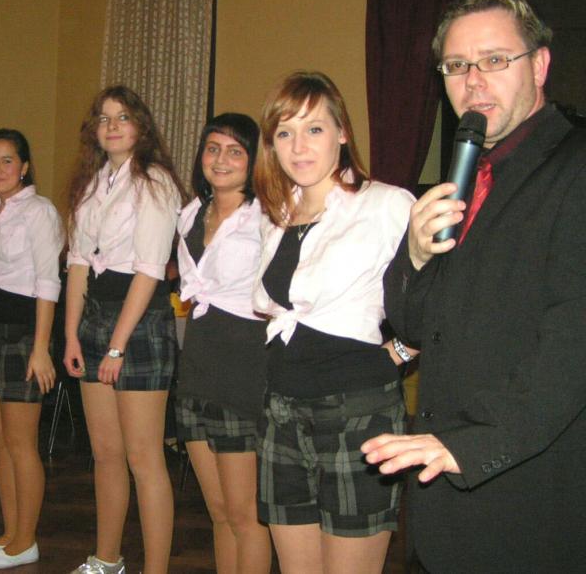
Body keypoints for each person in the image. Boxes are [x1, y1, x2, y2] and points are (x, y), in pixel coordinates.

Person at [361, 0, 586, 573]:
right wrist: (414, 257)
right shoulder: (466, 175)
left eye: (495, 59)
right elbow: (415, 328)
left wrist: (470, 445)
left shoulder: (576, 167)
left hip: (530, 495)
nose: (473, 81)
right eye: (457, 65)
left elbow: (573, 345)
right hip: (442, 496)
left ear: (539, 65)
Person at [252, 71, 415, 574]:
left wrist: (399, 354)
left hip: (357, 414)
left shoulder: (386, 204)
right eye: (285, 132)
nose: (298, 146)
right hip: (281, 411)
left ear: (342, 132)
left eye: (314, 129)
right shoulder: (276, 214)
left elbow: (445, 297)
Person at [64, 85, 185, 574]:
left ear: (141, 127)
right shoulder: (92, 182)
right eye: (104, 118)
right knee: (106, 453)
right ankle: (106, 559)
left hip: (140, 323)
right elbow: (77, 262)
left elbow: (150, 270)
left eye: (123, 117)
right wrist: (70, 335)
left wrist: (116, 347)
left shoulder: (155, 181)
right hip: (95, 317)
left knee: (144, 457)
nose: (112, 126)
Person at [0, 129, 64, 569]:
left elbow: (48, 282)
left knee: (22, 444)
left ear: (24, 167)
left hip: (25, 331)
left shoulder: (40, 211)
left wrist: (41, 348)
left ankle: (26, 540)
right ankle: (9, 532)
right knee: (0, 442)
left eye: (7, 160)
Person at [174, 113, 271, 573]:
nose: (221, 159)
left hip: (242, 368)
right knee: (217, 511)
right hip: (196, 366)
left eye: (235, 151)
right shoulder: (192, 213)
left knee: (244, 515)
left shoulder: (267, 217)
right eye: (213, 148)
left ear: (254, 160)